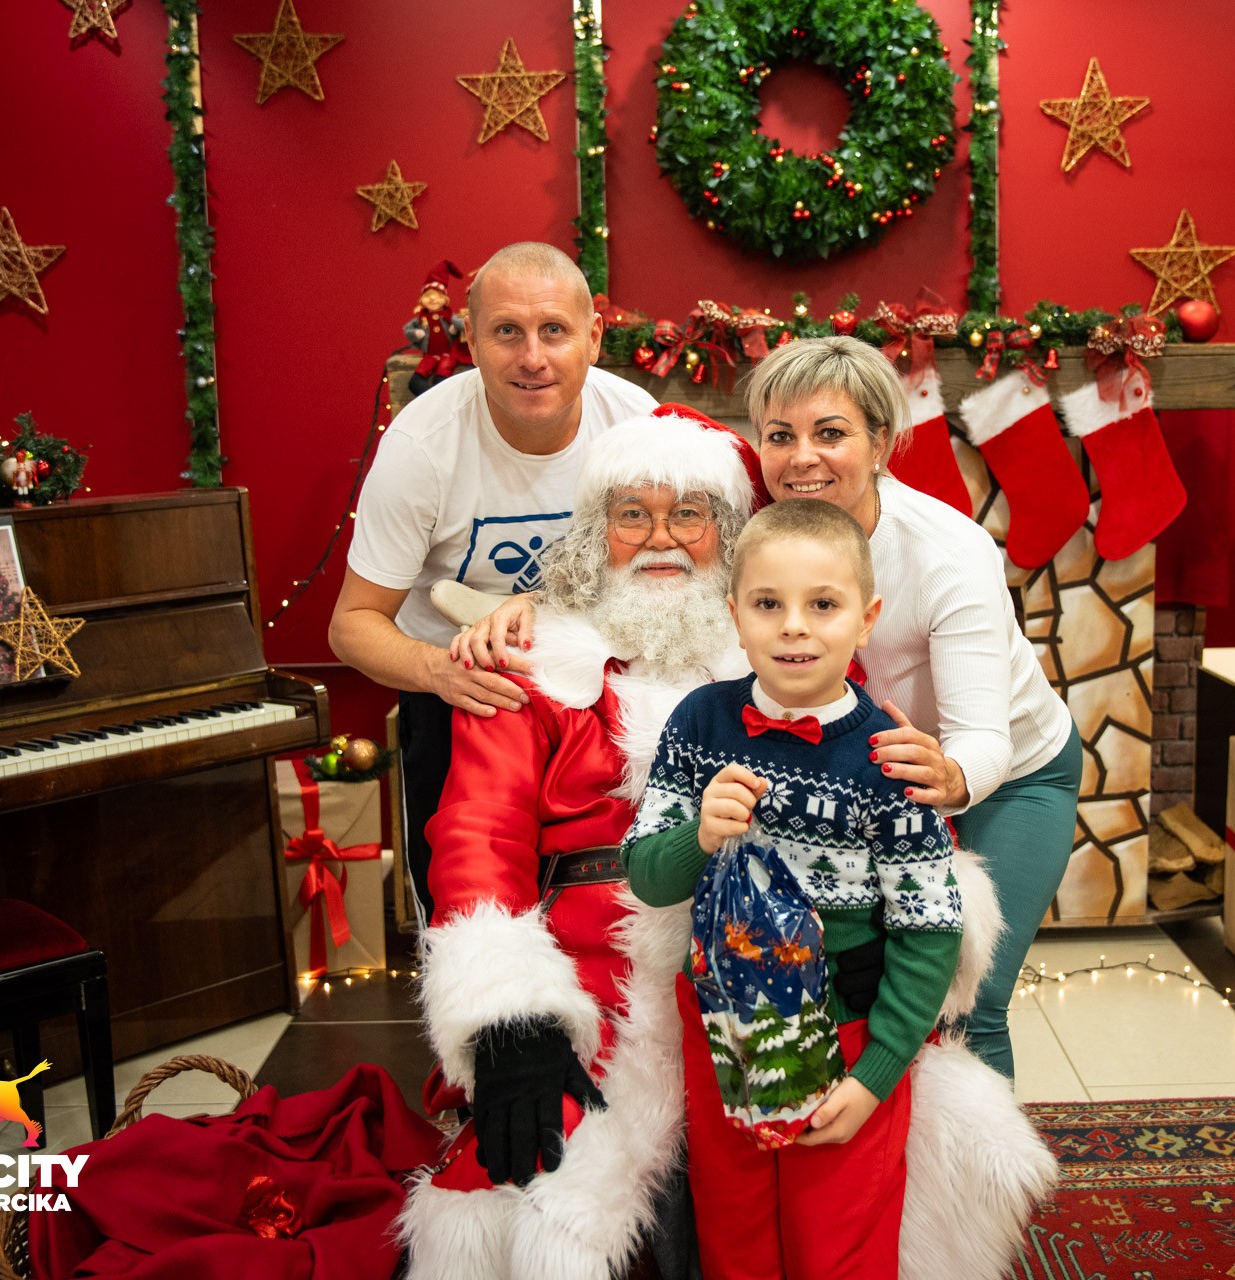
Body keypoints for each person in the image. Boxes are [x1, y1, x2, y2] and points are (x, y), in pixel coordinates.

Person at [400, 411, 1052, 1280]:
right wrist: (509, 1012)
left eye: (690, 514)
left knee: (878, 1179)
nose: (660, 538)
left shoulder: (793, 659)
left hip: (795, 966)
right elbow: (477, 833)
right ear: (596, 534)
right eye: (632, 514)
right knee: (559, 1189)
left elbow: (909, 845)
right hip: (595, 963)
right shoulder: (534, 667)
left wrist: (889, 961)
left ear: (730, 534)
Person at [458, 336, 1083, 1080]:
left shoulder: (951, 554)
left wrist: (950, 778)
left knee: (969, 1003)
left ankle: (976, 1150)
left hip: (1003, 769)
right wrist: (532, 604)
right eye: (781, 436)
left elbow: (984, 736)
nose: (802, 458)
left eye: (831, 433)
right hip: (878, 769)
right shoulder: (773, 516)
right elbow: (642, 550)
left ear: (882, 441)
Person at [622, 499, 972, 1280]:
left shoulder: (890, 759)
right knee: (734, 1233)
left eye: (822, 605)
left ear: (866, 618)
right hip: (725, 1026)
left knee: (835, 1245)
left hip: (849, 1032)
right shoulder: (700, 724)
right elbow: (646, 875)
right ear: (734, 615)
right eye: (767, 604)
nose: (793, 628)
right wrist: (698, 834)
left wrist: (877, 1073)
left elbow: (930, 926)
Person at [328, 241, 656, 925]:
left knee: (620, 909)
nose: (533, 357)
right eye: (507, 331)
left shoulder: (637, 426)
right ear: (472, 342)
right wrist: (440, 673)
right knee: (465, 912)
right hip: (459, 694)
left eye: (554, 330)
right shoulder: (421, 447)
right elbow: (352, 625)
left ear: (594, 338)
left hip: (602, 694)